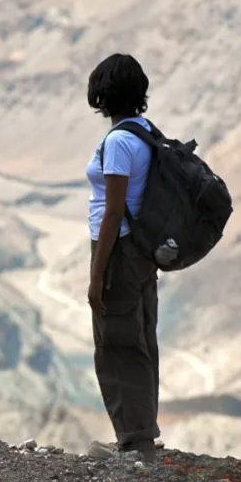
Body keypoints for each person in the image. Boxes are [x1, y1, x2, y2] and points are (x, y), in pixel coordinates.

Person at [84, 53, 160, 461]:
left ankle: (135, 444)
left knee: (116, 344)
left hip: (117, 249)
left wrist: (97, 277)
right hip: (142, 252)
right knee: (141, 338)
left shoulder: (117, 142)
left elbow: (113, 212)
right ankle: (142, 436)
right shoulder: (145, 132)